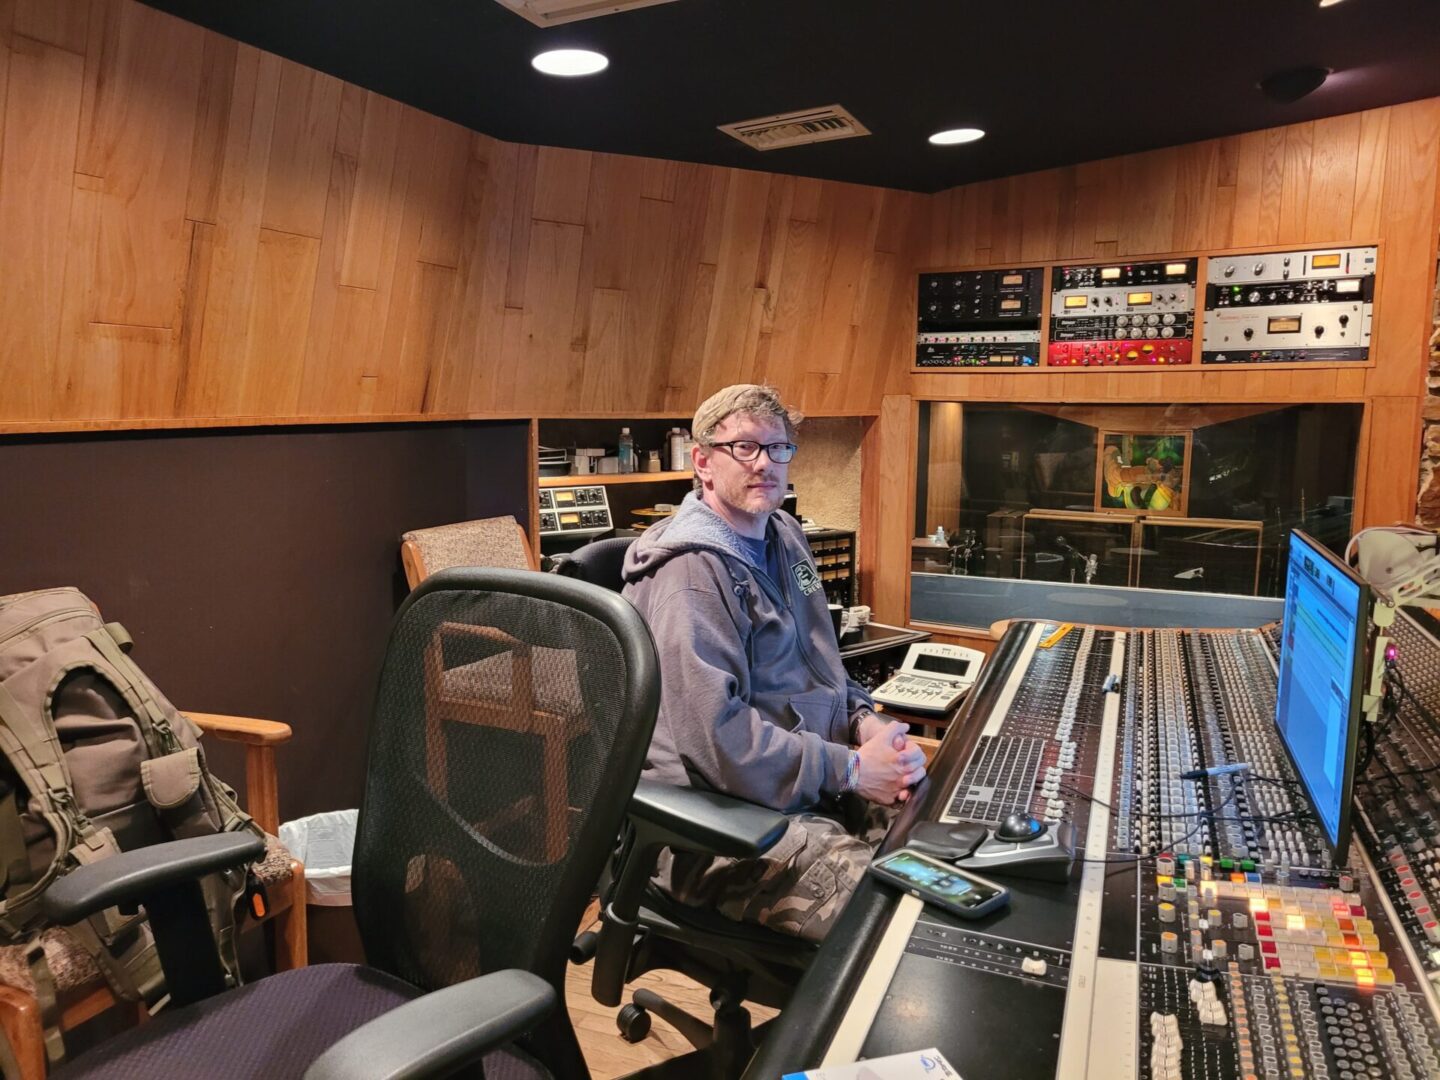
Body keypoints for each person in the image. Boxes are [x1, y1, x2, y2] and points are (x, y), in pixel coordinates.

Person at [621, 384, 927, 942]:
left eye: (778, 447)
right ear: (704, 462)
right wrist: (854, 769)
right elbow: (720, 744)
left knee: (936, 832)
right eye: (745, 448)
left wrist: (867, 724)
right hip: (713, 829)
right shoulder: (691, 577)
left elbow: (820, 661)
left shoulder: (784, 538)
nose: (765, 464)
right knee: (887, 918)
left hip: (799, 787)